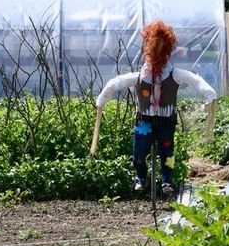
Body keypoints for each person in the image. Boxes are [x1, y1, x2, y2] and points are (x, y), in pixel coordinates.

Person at [91, 20, 216, 196]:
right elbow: (116, 83)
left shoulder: (173, 74)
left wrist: (209, 95)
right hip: (145, 121)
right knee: (140, 153)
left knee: (167, 154)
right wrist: (102, 99)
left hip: (165, 122)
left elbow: (195, 80)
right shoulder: (143, 76)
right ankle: (141, 178)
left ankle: (166, 181)